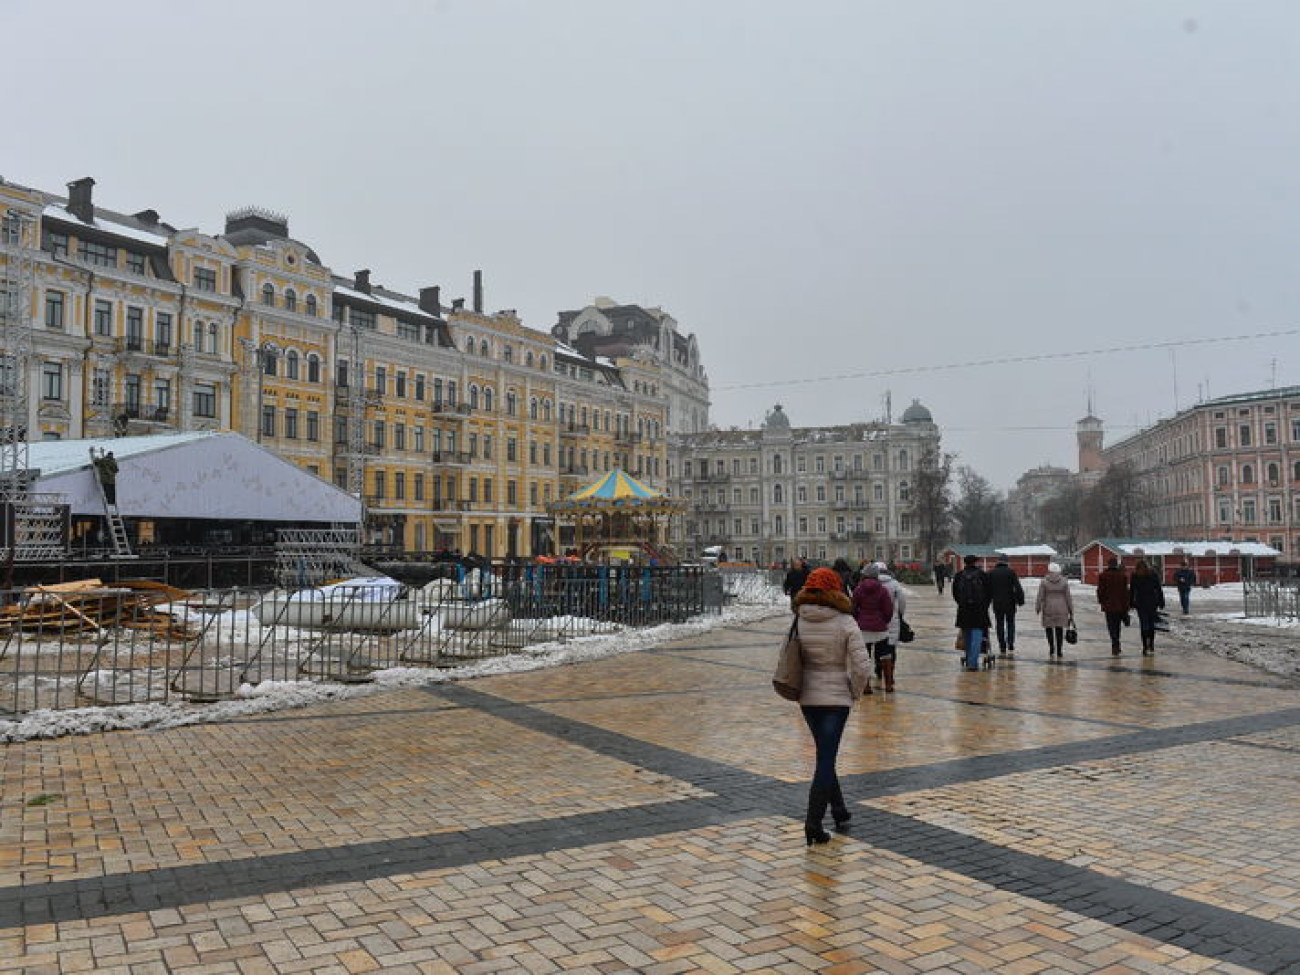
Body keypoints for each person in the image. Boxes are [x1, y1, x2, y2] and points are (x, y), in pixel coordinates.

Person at [793, 566, 872, 846]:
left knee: (825, 753)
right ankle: (813, 823)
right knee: (826, 758)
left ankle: (838, 810)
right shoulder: (845, 621)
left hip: (808, 698)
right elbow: (862, 666)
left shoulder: (799, 619)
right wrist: (855, 691)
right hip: (836, 699)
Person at [851, 563, 893, 695]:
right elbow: (888, 610)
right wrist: (883, 620)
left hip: (863, 627)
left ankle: (866, 686)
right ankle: (888, 685)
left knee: (865, 657)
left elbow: (853, 608)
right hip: (880, 628)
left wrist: (858, 619)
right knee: (885, 655)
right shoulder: (883, 590)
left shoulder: (858, 589)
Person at [951, 554, 992, 671]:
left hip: (964, 610)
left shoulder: (959, 576)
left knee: (967, 636)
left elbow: (955, 593)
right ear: (975, 563)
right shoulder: (982, 575)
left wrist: (962, 603)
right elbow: (989, 593)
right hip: (979, 610)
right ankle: (973, 662)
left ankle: (969, 658)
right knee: (977, 636)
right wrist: (984, 606)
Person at [873, 561, 906, 692]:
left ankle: (878, 668)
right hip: (892, 618)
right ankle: (890, 672)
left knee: (878, 644)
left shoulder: (870, 584)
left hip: (875, 619)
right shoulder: (894, 584)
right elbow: (902, 601)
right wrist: (900, 614)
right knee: (891, 646)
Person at [987, 555, 1025, 656]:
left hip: (997, 603)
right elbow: (1017, 587)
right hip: (1010, 603)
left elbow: (988, 589)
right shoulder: (1011, 572)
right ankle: (1011, 642)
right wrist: (1020, 600)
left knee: (999, 624)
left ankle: (1002, 645)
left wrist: (987, 601)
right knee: (1010, 623)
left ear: (998, 562)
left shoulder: (991, 573)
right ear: (1007, 562)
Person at [1035, 561, 1074, 659]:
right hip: (1062, 607)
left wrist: (1038, 607)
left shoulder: (1044, 581)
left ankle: (1052, 647)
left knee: (1048, 628)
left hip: (1048, 607)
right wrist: (1071, 610)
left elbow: (1040, 596)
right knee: (1059, 629)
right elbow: (1068, 597)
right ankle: (1059, 650)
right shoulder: (1064, 581)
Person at [1129, 558, 1166, 655]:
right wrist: (1161, 601)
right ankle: (1151, 644)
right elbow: (1158, 589)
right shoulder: (1153, 574)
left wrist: (1131, 602)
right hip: (1152, 602)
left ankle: (1145, 646)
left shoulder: (1135, 575)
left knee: (1144, 624)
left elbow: (1132, 590)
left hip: (1140, 603)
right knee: (1151, 624)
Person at [1096, 557, 1130, 655]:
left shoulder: (1103, 576)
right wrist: (1126, 605)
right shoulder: (1122, 576)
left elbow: (1100, 591)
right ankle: (1117, 643)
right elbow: (1125, 592)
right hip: (1120, 605)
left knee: (1111, 626)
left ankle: (1114, 644)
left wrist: (1101, 601)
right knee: (1117, 625)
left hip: (1109, 605)